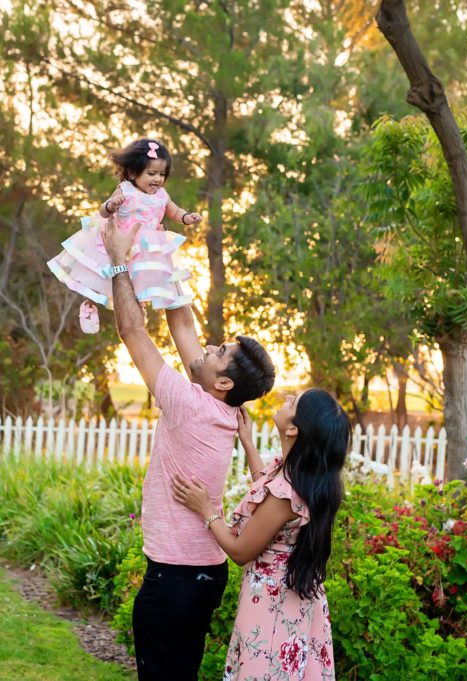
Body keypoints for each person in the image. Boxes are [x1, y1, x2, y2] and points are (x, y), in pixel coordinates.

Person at [99, 215, 276, 680]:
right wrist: (158, 243)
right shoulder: (216, 406)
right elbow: (182, 322)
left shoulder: (188, 405)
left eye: (219, 351)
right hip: (202, 575)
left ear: (221, 381)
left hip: (175, 579)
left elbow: (133, 332)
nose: (209, 346)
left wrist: (119, 261)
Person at [172, 389, 350, 681]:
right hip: (297, 598)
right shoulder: (301, 477)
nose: (287, 399)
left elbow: (240, 551)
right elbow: (267, 494)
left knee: (265, 671)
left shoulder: (287, 494)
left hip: (273, 604)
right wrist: (247, 442)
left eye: (293, 403)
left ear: (294, 428)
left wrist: (206, 510)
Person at [47, 137, 202, 333]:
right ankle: (89, 305)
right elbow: (103, 212)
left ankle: (137, 308)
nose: (157, 179)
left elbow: (174, 211)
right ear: (132, 172)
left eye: (162, 174)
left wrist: (186, 217)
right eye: (151, 173)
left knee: (140, 280)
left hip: (146, 247)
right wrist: (112, 205)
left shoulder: (162, 195)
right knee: (100, 275)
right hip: (121, 241)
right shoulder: (125, 190)